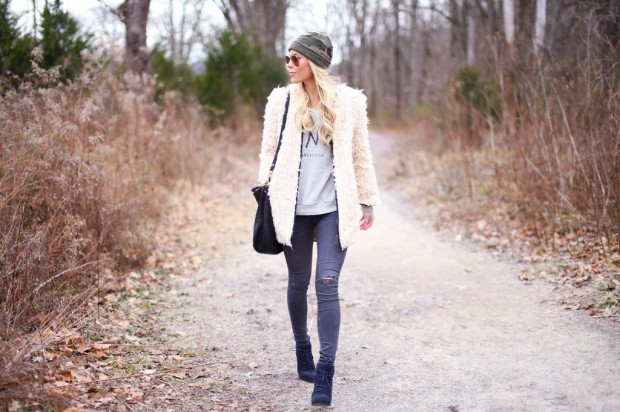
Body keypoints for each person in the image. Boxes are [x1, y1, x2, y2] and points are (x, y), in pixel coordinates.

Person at [256, 32, 379, 406]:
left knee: (326, 282)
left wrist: (367, 201)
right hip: (292, 210)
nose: (289, 64)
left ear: (315, 62)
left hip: (333, 210)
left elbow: (360, 153)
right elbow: (268, 150)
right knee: (298, 282)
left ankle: (325, 372)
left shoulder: (349, 102)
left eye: (296, 58)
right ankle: (302, 349)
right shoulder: (281, 101)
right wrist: (266, 193)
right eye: (287, 58)